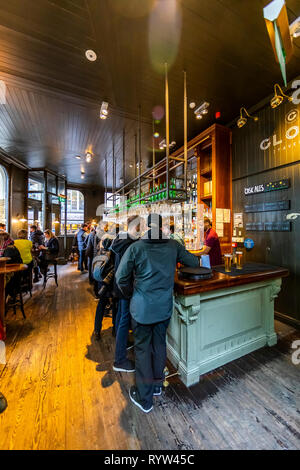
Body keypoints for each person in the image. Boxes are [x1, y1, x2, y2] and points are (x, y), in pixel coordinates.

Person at [115, 213, 200, 413]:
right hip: (163, 308)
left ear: (146, 227)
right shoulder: (173, 246)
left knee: (143, 349)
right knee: (159, 345)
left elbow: (121, 278)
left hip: (142, 308)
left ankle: (145, 399)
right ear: (162, 227)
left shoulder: (136, 247)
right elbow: (194, 263)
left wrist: (130, 294)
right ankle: (156, 386)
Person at [111, 215, 141, 373]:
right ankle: (119, 359)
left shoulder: (120, 237)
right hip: (127, 285)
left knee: (121, 315)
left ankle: (120, 344)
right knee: (125, 319)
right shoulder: (133, 242)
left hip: (118, 283)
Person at [93, 235, 116, 341]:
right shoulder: (113, 254)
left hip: (100, 282)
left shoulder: (99, 253)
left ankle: (97, 330)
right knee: (115, 304)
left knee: (101, 305)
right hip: (109, 283)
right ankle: (115, 330)